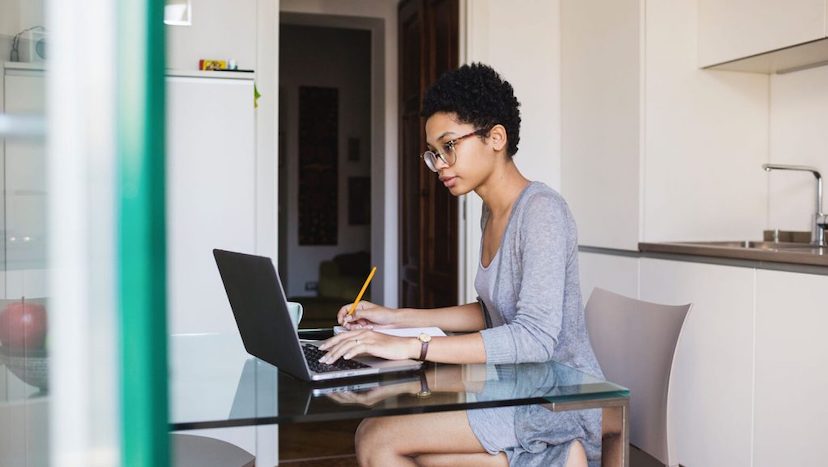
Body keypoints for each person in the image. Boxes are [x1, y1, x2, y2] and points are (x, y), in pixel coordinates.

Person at [318, 63, 603, 467]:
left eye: (449, 145)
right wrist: (393, 317)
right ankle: (553, 460)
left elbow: (535, 338)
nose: (440, 165)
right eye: (434, 153)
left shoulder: (542, 212)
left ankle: (560, 452)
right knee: (391, 441)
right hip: (515, 388)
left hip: (554, 400)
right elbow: (490, 313)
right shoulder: (492, 213)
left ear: (496, 138)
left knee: (378, 439)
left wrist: (413, 346)